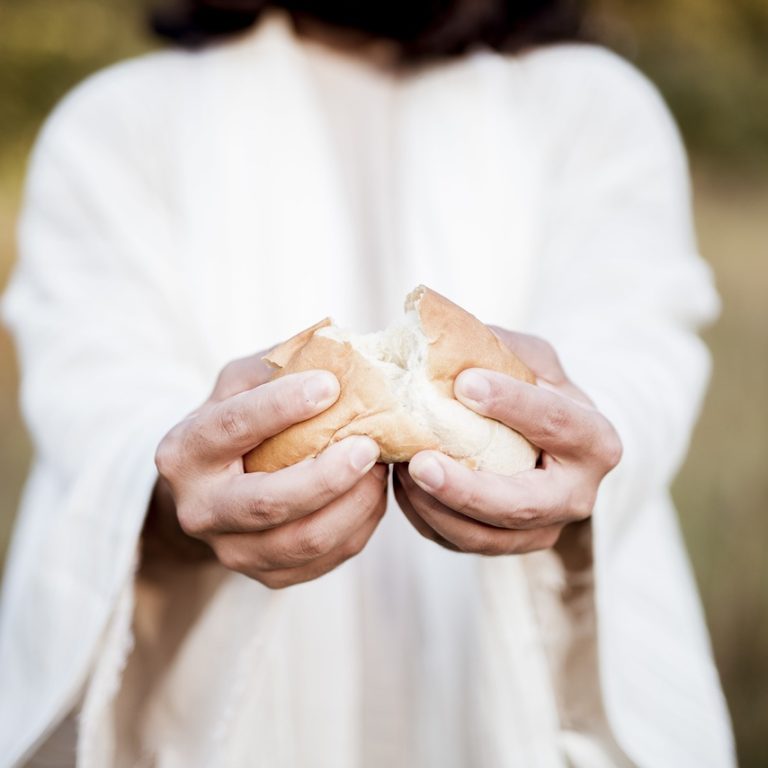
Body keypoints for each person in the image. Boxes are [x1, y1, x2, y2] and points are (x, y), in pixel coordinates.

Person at [0, 1, 736, 766]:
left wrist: (579, 436)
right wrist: (175, 490)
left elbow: (639, 345)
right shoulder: (113, 127)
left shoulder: (593, 107)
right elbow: (93, 396)